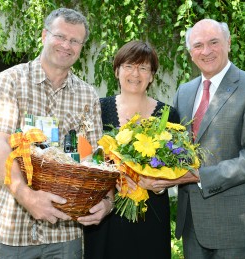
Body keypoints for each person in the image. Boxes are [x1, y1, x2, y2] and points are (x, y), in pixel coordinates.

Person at [0, 8, 113, 258]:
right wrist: (26, 196)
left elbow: (96, 159)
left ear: (81, 47)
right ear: (44, 35)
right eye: (60, 36)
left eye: (75, 41)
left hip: (64, 234)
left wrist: (107, 202)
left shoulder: (88, 96)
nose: (66, 45)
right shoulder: (10, 80)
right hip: (10, 232)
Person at [151, 19, 245, 258]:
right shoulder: (185, 91)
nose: (206, 51)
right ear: (190, 52)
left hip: (235, 222)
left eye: (214, 42)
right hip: (192, 223)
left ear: (228, 43)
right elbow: (177, 147)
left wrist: (201, 175)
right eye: (198, 45)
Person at [83, 40, 180, 259]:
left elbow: (175, 167)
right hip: (106, 212)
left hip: (151, 213)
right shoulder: (98, 108)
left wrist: (159, 185)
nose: (135, 73)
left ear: (152, 75)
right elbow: (86, 158)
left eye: (143, 67)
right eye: (129, 66)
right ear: (117, 71)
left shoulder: (168, 115)